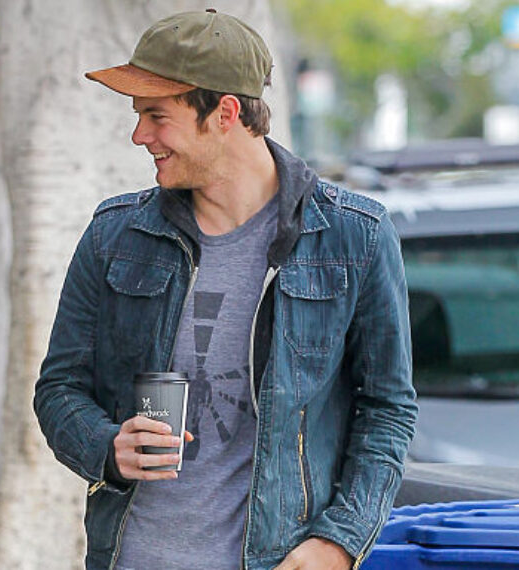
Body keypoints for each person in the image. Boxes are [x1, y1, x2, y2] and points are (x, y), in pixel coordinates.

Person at [33, 10, 417, 570]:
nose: (139, 135)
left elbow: (387, 410)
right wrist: (105, 445)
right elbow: (59, 388)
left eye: (156, 116)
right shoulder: (116, 233)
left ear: (225, 113)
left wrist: (339, 541)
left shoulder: (354, 236)